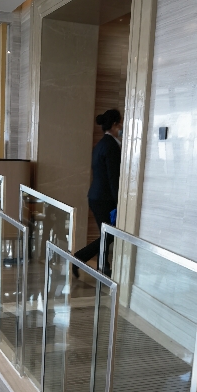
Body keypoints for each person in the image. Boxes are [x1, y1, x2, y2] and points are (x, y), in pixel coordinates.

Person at [73, 110, 123, 272]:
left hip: (97, 197)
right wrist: (119, 202)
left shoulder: (102, 144)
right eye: (120, 123)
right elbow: (113, 177)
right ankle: (79, 258)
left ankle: (103, 266)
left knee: (106, 234)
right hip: (104, 198)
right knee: (109, 234)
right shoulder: (111, 146)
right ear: (115, 125)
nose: (122, 127)